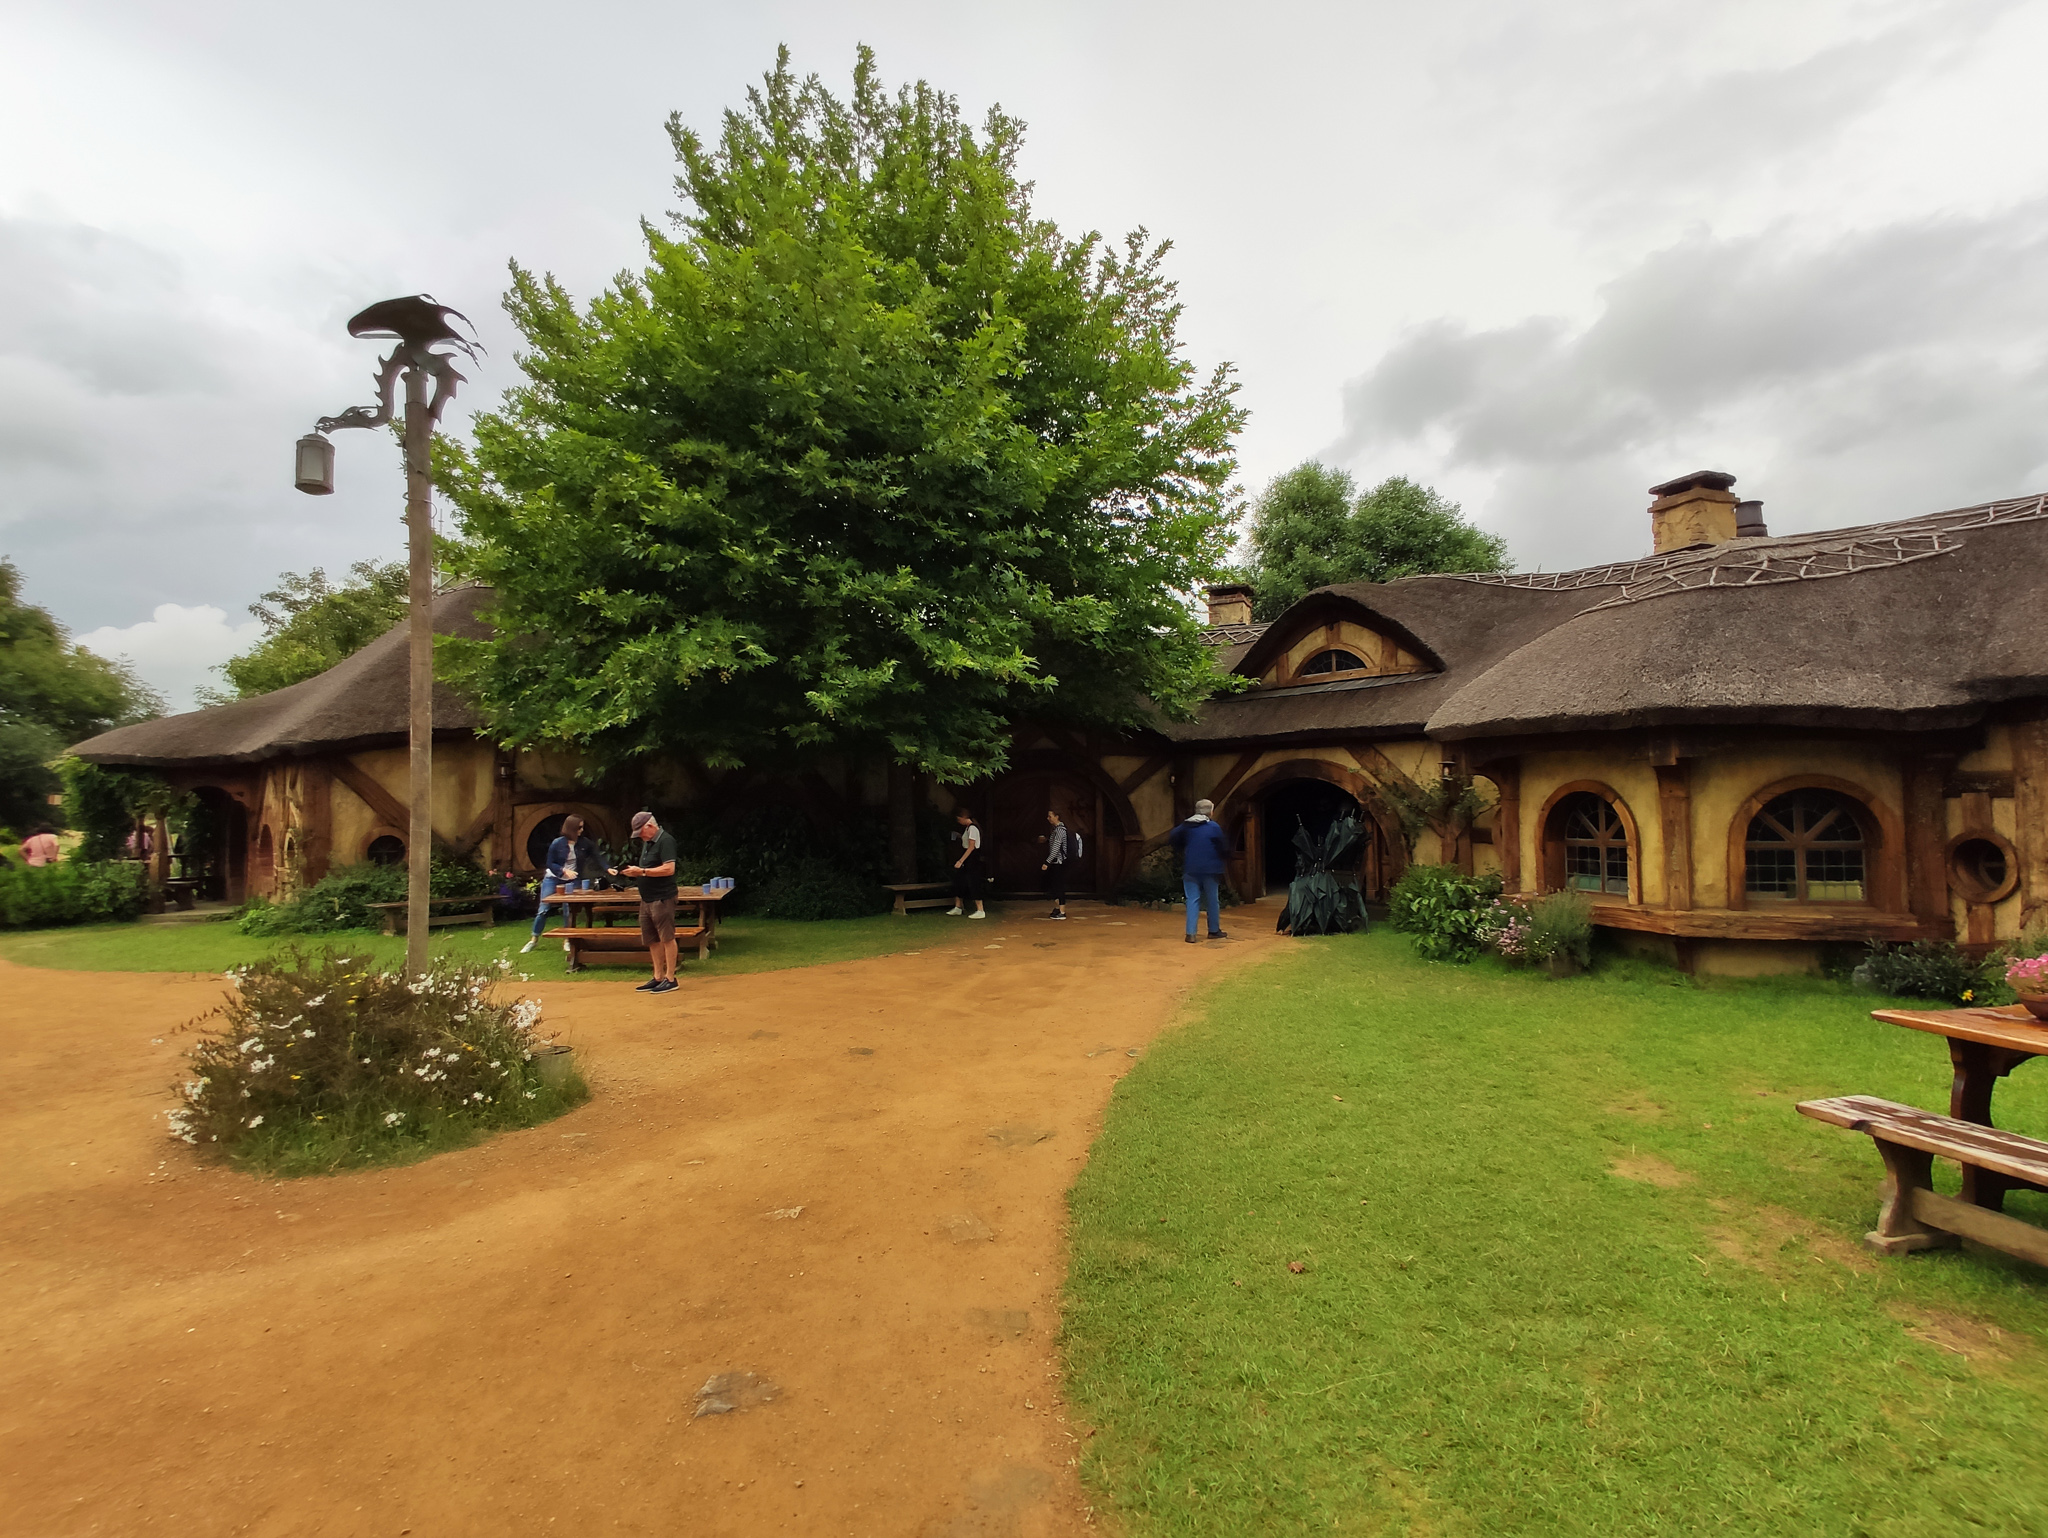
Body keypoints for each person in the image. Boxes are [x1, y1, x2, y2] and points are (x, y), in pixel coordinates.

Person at [615, 810, 681, 993]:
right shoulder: (648, 842)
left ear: (650, 826)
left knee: (667, 937)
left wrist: (642, 872)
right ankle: (658, 976)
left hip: (662, 897)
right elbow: (648, 868)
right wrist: (633, 872)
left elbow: (669, 869)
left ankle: (670, 978)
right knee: (652, 939)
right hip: (647, 898)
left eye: (641, 832)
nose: (640, 837)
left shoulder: (666, 841)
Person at [520, 814, 598, 953]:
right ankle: (533, 940)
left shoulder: (583, 843)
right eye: (579, 827)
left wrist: (607, 868)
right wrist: (563, 870)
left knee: (568, 911)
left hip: (572, 880)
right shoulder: (557, 843)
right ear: (571, 828)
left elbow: (596, 855)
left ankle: (567, 940)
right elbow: (550, 863)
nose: (581, 830)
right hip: (553, 878)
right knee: (543, 910)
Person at [1168, 798, 1231, 944]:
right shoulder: (1213, 826)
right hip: (1210, 868)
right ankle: (1213, 930)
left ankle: (1191, 934)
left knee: (1192, 899)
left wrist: (1182, 847)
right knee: (1212, 900)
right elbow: (1223, 846)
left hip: (1191, 867)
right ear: (1211, 812)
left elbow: (1173, 836)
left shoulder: (1186, 826)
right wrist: (1223, 859)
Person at [947, 806, 987, 919]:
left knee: (973, 882)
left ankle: (980, 910)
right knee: (959, 880)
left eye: (959, 819)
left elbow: (971, 847)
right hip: (968, 857)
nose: (959, 821)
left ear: (964, 817)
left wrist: (961, 861)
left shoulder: (973, 828)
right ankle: (958, 907)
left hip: (972, 857)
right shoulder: (968, 828)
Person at [1040, 809, 1070, 920]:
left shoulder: (1060, 830)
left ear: (1057, 817)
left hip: (1059, 862)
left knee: (1059, 886)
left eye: (1050, 816)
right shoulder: (1056, 830)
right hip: (1056, 862)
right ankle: (1058, 908)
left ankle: (1062, 912)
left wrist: (1047, 862)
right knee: (1054, 886)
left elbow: (1056, 848)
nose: (1048, 818)